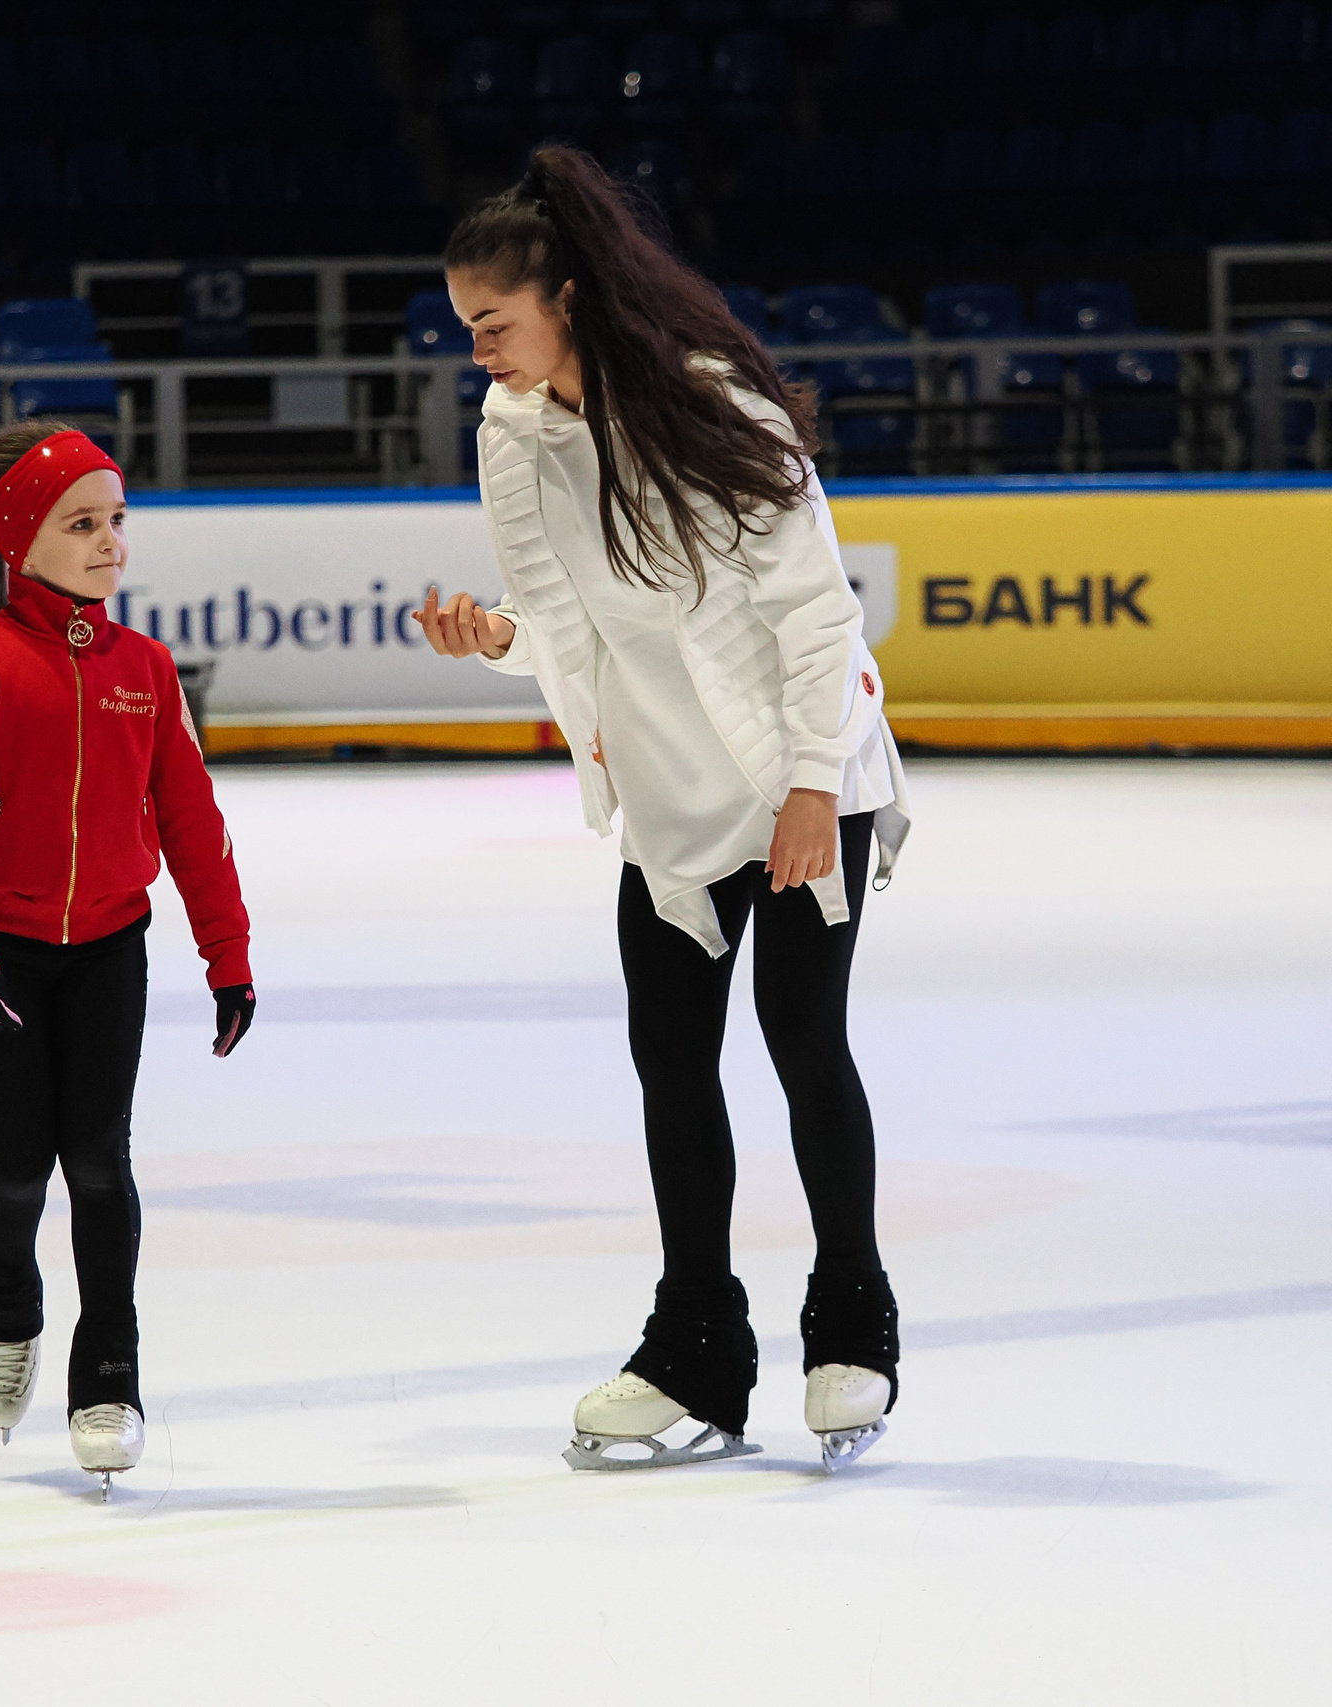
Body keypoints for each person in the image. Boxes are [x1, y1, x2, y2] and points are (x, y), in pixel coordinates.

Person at [412, 147, 910, 1473]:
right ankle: (695, 1349)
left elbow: (815, 612)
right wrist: (494, 633)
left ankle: (852, 1326)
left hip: (803, 771)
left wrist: (811, 784)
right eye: (468, 330)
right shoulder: (513, 437)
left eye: (493, 325)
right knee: (671, 1059)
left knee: (803, 1034)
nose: (480, 355)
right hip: (674, 799)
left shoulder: (711, 404)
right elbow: (566, 623)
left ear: (565, 298)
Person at [0, 421, 254, 1498]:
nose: (111, 541)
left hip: (113, 944)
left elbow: (192, 821)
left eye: (117, 520)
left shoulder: (146, 671)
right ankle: (4, 1297)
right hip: (7, 961)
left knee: (102, 1163)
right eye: (84, 524)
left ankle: (108, 1373)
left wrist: (228, 953)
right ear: (22, 542)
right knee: (20, 1165)